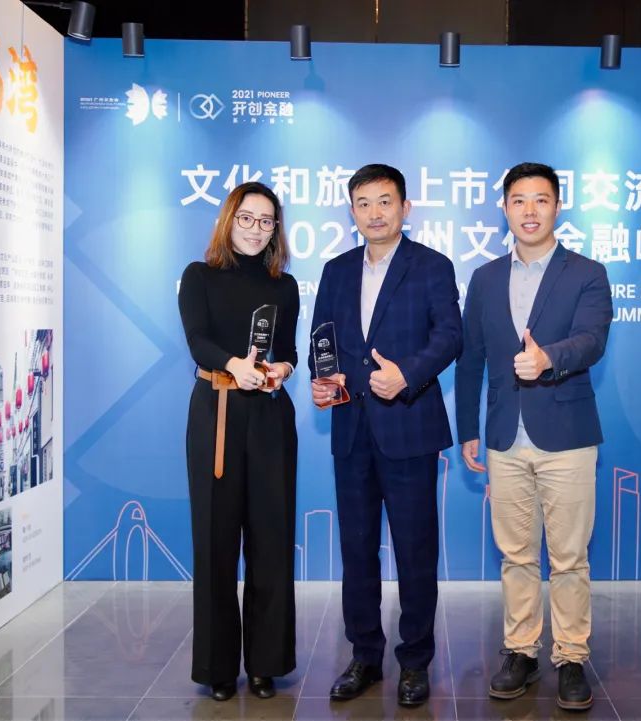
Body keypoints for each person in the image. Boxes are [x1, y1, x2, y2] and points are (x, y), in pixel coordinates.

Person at [455, 162, 613, 712]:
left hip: (567, 435)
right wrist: (468, 430)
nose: (529, 210)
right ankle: (521, 651)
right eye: (518, 200)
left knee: (568, 557)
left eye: (541, 200)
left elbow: (592, 339)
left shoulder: (587, 273)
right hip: (504, 436)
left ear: (557, 207)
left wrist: (550, 359)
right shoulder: (485, 278)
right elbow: (471, 359)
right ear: (504, 207)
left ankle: (571, 657)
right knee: (516, 555)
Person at [308, 164, 462, 707]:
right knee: (356, 551)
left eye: (385, 201)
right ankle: (365, 656)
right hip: (351, 430)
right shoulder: (335, 270)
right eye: (364, 203)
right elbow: (322, 339)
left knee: (415, 551)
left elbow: (450, 336)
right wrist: (322, 381)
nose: (374, 213)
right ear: (352, 211)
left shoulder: (432, 265)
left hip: (409, 427)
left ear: (405, 207)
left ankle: (414, 661)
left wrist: (407, 375)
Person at [178, 181, 299, 702]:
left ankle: (267, 664)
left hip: (269, 416)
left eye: (266, 221)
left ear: (276, 229)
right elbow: (197, 340)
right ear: (229, 220)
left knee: (272, 541)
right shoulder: (199, 276)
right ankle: (218, 667)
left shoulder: (284, 285)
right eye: (247, 218)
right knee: (215, 542)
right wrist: (234, 365)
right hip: (217, 413)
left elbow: (289, 349)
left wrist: (279, 370)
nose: (256, 229)